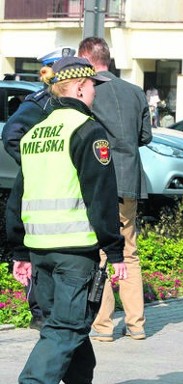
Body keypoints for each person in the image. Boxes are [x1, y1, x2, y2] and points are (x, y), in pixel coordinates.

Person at [6, 56, 126, 383]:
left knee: (67, 328)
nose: (95, 94)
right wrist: (115, 251)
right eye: (92, 87)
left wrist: (18, 250)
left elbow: (18, 196)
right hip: (75, 252)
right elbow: (99, 195)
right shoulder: (87, 130)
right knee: (66, 328)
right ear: (77, 87)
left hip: (40, 251)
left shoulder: (34, 135)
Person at [78, 37, 152, 342]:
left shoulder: (87, 91)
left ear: (86, 59)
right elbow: (145, 136)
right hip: (130, 182)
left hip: (101, 181)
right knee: (129, 252)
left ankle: (104, 325)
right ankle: (136, 325)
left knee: (103, 252)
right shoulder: (136, 92)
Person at [1, 46, 76, 330]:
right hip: (38, 188)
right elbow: (11, 135)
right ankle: (40, 313)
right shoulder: (40, 103)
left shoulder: (70, 102)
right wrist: (37, 161)